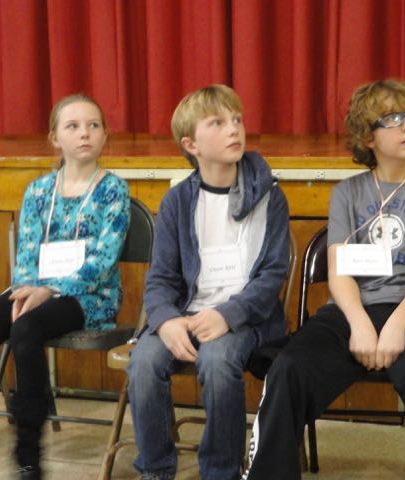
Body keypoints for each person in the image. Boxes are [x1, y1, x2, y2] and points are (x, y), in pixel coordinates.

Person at [242, 80, 405, 480]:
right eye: (392, 119)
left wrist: (395, 325)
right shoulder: (347, 193)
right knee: (287, 369)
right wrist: (358, 323)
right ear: (367, 136)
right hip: (349, 308)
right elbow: (339, 270)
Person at [0, 94, 131, 480]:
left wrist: (52, 290)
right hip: (35, 288)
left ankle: (29, 457)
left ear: (104, 135)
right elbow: (27, 254)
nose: (85, 134)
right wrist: (29, 287)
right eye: (73, 126)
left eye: (93, 125)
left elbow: (103, 261)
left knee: (25, 330)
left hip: (88, 296)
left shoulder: (114, 190)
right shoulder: (38, 191)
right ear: (55, 138)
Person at [127, 84, 290, 480]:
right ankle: (156, 470)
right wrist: (165, 320)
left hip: (245, 318)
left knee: (218, 363)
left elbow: (272, 275)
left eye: (237, 120)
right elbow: (161, 278)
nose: (234, 129)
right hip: (187, 314)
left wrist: (229, 314)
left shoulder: (270, 196)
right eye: (217, 123)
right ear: (191, 143)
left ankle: (220, 472)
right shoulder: (178, 202)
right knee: (144, 361)